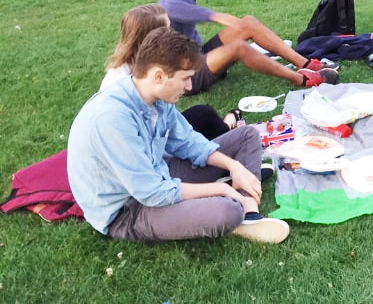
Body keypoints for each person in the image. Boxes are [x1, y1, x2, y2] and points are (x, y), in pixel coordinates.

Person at [68, 27, 290, 244]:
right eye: (185, 78)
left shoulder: (155, 97)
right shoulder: (112, 118)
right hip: (129, 210)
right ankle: (232, 201)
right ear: (159, 76)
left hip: (160, 174)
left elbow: (189, 142)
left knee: (247, 135)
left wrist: (234, 166)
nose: (189, 86)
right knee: (227, 211)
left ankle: (249, 210)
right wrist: (221, 189)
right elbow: (151, 193)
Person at [159, 0, 338, 95]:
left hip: (198, 54)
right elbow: (170, 7)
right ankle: (301, 79)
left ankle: (305, 64)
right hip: (187, 74)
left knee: (248, 23)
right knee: (239, 48)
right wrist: (214, 16)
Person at [101, 4, 238, 139]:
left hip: (158, 134)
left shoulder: (145, 66)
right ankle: (229, 128)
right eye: (168, 30)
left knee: (204, 115)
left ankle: (227, 130)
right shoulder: (122, 85)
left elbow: (168, 118)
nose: (173, 34)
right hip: (148, 143)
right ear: (152, 38)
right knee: (204, 122)